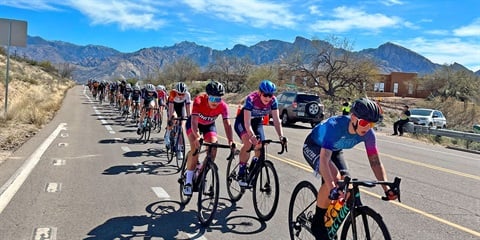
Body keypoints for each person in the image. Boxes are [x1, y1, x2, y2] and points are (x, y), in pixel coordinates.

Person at [302, 98, 398, 239]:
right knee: (334, 179)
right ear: (353, 118)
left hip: (335, 149)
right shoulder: (335, 126)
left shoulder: (368, 134)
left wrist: (386, 188)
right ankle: (318, 221)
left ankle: (330, 219)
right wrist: (332, 187)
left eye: (372, 124)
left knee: (348, 187)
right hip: (315, 146)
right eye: (364, 123)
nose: (367, 128)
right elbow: (323, 160)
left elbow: (375, 163)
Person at [182, 80, 235, 196]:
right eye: (213, 99)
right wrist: (197, 136)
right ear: (207, 96)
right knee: (195, 148)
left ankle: (202, 172)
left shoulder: (223, 106)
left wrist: (231, 141)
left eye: (218, 99)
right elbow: (194, 122)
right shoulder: (198, 100)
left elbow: (227, 124)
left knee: (214, 148)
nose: (215, 102)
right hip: (194, 125)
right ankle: (189, 181)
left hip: (209, 126)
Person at [234, 79, 285, 187]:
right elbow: (247, 123)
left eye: (270, 95)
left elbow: (276, 120)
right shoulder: (251, 99)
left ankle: (252, 169)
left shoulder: (273, 101)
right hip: (243, 122)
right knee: (248, 143)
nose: (268, 98)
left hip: (257, 122)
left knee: (260, 146)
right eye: (265, 95)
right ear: (260, 93)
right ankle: (241, 172)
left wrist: (281, 136)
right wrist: (251, 136)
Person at [165, 82, 192, 160]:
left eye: (182, 94)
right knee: (173, 118)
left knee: (181, 127)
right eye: (179, 94)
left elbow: (187, 107)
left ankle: (179, 149)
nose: (181, 96)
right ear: (176, 92)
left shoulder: (187, 95)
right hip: (173, 105)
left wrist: (189, 118)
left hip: (181, 106)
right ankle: (168, 134)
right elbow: (170, 109)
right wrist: (170, 119)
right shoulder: (172, 94)